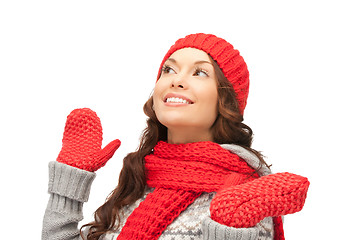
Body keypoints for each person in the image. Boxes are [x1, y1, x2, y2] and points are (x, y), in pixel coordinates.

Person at [42, 33, 310, 240]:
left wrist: (232, 229)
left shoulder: (246, 194)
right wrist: (69, 183)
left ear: (225, 101)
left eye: (200, 72)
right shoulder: (136, 184)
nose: (176, 80)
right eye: (168, 69)